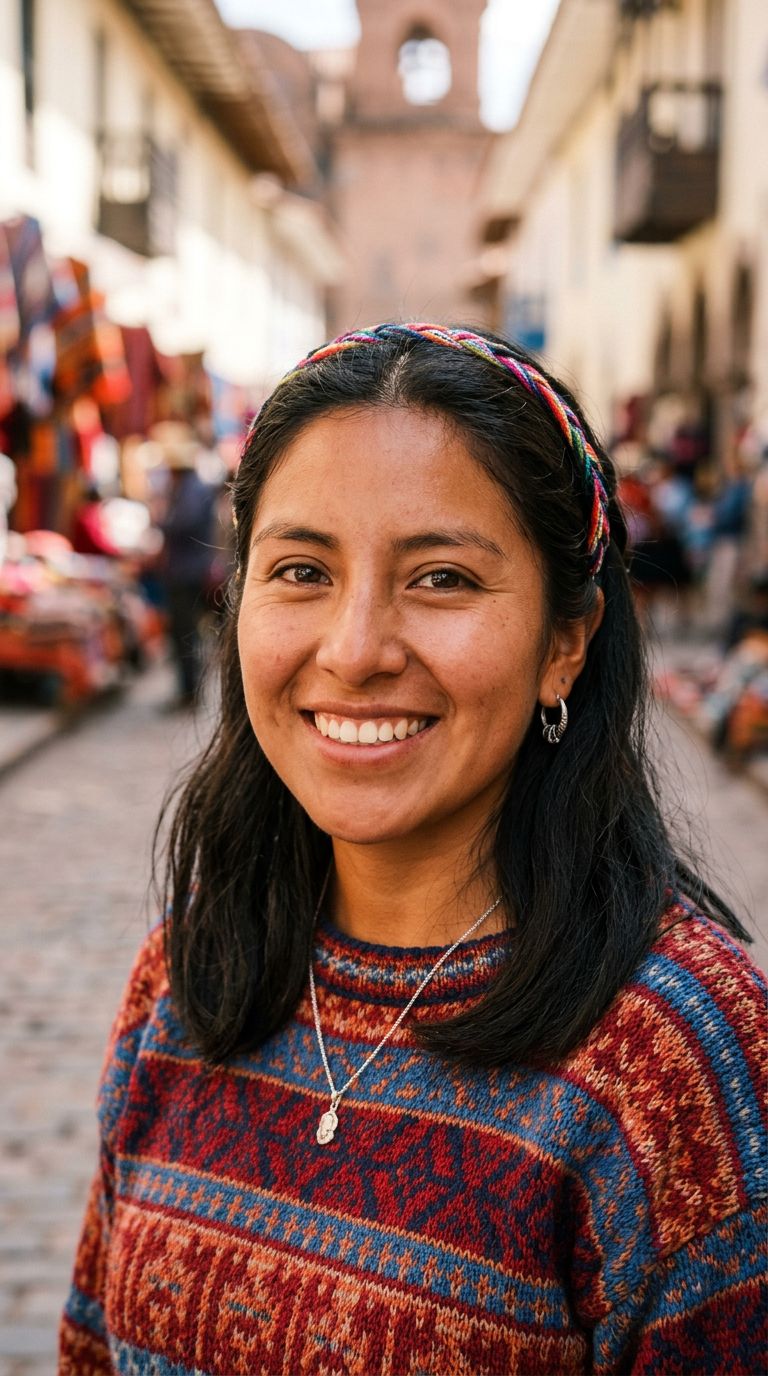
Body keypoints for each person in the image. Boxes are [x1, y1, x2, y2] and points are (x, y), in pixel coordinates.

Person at [59, 324, 766, 1376]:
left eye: (440, 578)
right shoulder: (190, 969)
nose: (354, 651)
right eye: (302, 569)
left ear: (564, 641)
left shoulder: (676, 1061)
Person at [155, 424, 217, 708]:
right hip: (186, 570)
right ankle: (188, 689)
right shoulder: (189, 487)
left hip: (187, 572)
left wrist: (162, 520)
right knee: (185, 634)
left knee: (186, 634)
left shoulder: (191, 489)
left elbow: (184, 523)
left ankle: (190, 690)